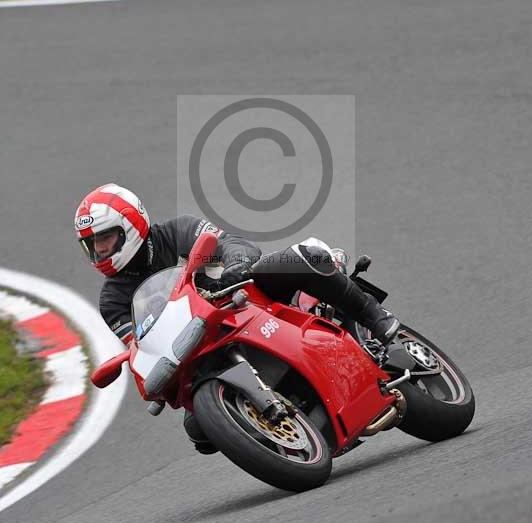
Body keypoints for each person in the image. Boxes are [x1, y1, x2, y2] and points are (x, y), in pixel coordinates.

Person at [75, 183, 399, 451]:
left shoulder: (177, 232)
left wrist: (235, 263)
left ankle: (374, 317)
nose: (101, 251)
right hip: (195, 346)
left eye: (105, 239)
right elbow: (139, 344)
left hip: (242, 300)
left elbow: (228, 243)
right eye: (93, 245)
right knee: (199, 430)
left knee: (302, 258)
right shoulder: (112, 300)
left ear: (131, 225)